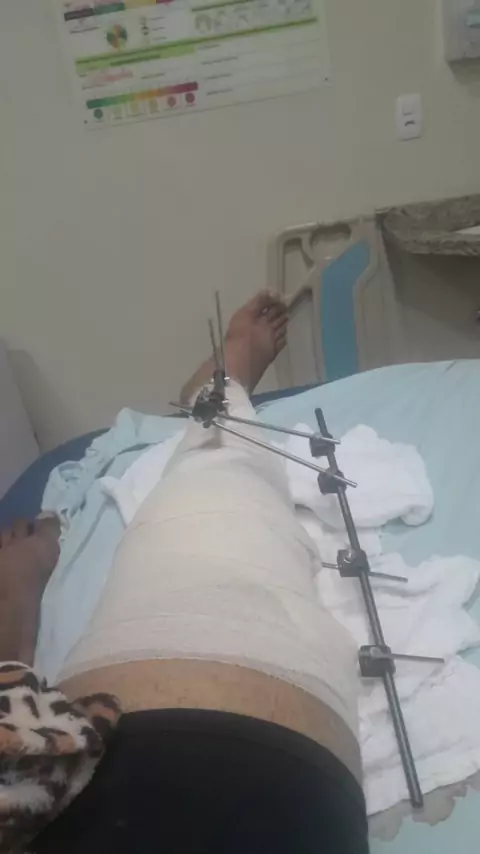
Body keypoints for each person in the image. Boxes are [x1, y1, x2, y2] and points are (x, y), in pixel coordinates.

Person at [0, 293, 369, 853]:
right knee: (219, 470)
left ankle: (216, 400)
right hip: (261, 785)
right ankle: (220, 398)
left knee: (212, 467)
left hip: (113, 782)